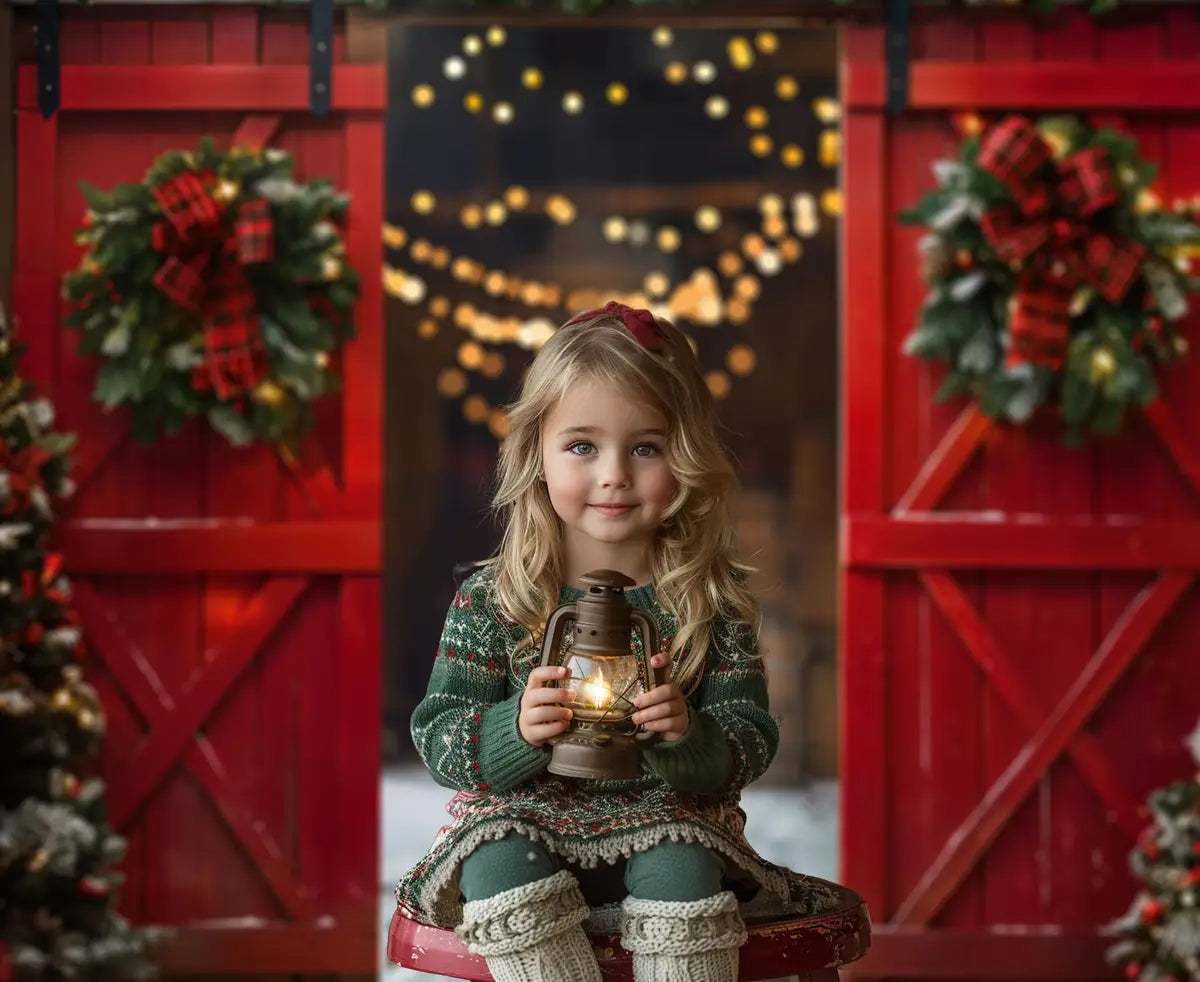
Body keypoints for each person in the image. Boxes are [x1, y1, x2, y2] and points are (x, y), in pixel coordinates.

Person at [394, 302, 825, 982]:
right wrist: (515, 729)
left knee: (684, 864)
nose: (614, 473)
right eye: (582, 446)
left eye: (645, 447)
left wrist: (691, 736)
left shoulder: (705, 601)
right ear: (537, 451)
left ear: (684, 455)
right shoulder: (496, 601)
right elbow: (439, 731)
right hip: (527, 824)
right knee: (495, 857)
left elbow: (752, 736)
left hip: (666, 820)